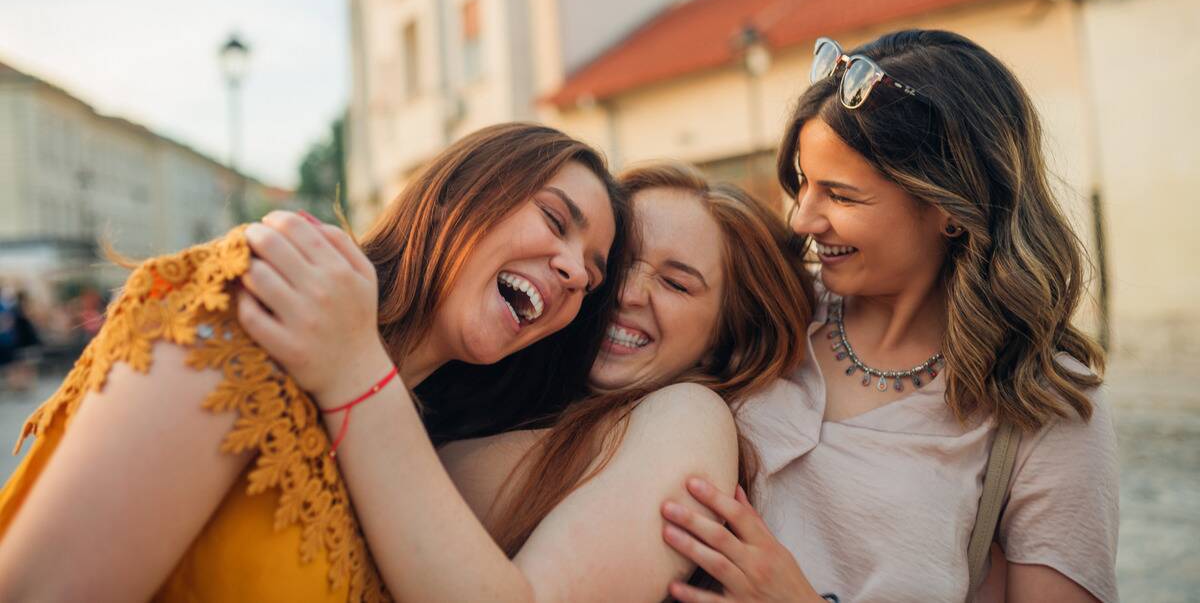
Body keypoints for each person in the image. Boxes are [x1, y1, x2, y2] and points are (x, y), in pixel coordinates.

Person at [0, 123, 629, 602]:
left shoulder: (433, 467)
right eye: (553, 219)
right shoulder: (248, 308)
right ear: (453, 198)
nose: (575, 272)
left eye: (592, 279)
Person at [659, 30, 1119, 603]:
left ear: (950, 208)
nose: (803, 220)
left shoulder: (1044, 397)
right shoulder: (773, 308)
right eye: (802, 184)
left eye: (843, 197)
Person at [238, 162, 815, 601]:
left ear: (728, 340)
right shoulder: (505, 371)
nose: (626, 293)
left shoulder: (689, 417)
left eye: (677, 283)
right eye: (615, 265)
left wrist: (356, 372)